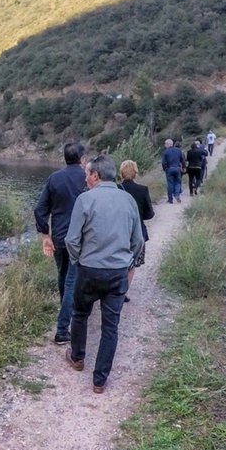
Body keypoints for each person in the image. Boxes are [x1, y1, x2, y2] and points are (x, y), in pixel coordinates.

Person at [64, 155, 144, 394]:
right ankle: (99, 380)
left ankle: (77, 358)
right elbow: (138, 240)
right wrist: (128, 261)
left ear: (96, 175)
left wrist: (78, 259)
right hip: (118, 272)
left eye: (87, 174)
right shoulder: (128, 200)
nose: (86, 179)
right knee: (111, 326)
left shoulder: (85, 199)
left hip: (89, 270)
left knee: (80, 314)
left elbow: (71, 239)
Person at [33, 142, 87, 344]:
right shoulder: (88, 178)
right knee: (72, 282)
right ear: (82, 159)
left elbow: (40, 210)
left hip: (58, 237)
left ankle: (67, 311)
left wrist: (45, 235)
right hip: (78, 239)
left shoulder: (54, 178)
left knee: (63, 276)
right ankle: (62, 330)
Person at [118, 159, 154, 304]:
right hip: (137, 232)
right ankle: (123, 291)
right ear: (135, 173)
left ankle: (113, 289)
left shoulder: (116, 189)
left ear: (121, 173)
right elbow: (149, 214)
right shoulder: (142, 190)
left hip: (118, 231)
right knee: (132, 263)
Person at [161, 139, 185, 204]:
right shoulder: (179, 150)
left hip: (169, 169)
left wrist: (164, 169)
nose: (165, 145)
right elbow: (183, 160)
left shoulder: (166, 151)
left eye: (165, 144)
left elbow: (163, 162)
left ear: (168, 144)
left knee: (170, 183)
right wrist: (184, 167)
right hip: (177, 168)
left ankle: (170, 199)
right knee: (178, 182)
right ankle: (177, 194)